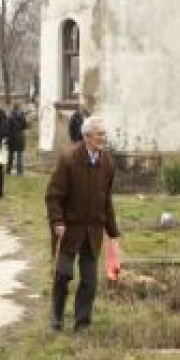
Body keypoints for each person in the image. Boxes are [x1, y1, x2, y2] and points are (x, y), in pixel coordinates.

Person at [45, 115, 120, 332]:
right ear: (86, 136)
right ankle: (57, 316)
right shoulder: (69, 159)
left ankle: (82, 323)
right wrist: (57, 221)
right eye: (99, 134)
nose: (103, 139)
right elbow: (53, 195)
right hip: (69, 229)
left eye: (104, 134)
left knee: (89, 281)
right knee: (64, 274)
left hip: (93, 230)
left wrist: (112, 231)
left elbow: (106, 199)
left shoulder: (107, 163)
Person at [7, 102, 27, 176]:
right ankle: (20, 171)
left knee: (11, 154)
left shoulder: (10, 115)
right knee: (19, 155)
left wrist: (8, 135)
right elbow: (25, 126)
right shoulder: (22, 115)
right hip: (19, 136)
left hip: (12, 136)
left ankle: (8, 170)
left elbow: (8, 127)